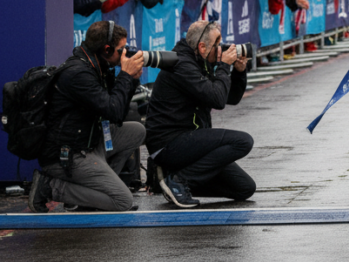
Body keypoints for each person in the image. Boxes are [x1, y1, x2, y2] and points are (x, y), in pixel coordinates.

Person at [28, 21, 145, 213]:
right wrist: (125, 76)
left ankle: (94, 193)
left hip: (89, 142)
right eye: (121, 49)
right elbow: (113, 110)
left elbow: (117, 116)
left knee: (136, 131)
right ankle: (50, 187)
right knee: (123, 201)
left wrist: (131, 80)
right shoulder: (78, 74)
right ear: (106, 49)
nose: (125, 53)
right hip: (66, 156)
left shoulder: (98, 66)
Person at [146, 20, 255, 209]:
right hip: (168, 143)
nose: (221, 47)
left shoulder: (200, 60)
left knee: (244, 188)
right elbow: (217, 100)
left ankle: (168, 182)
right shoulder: (182, 64)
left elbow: (230, 98)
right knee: (243, 141)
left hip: (191, 140)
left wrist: (239, 72)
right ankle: (178, 180)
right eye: (217, 43)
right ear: (202, 47)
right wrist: (223, 66)